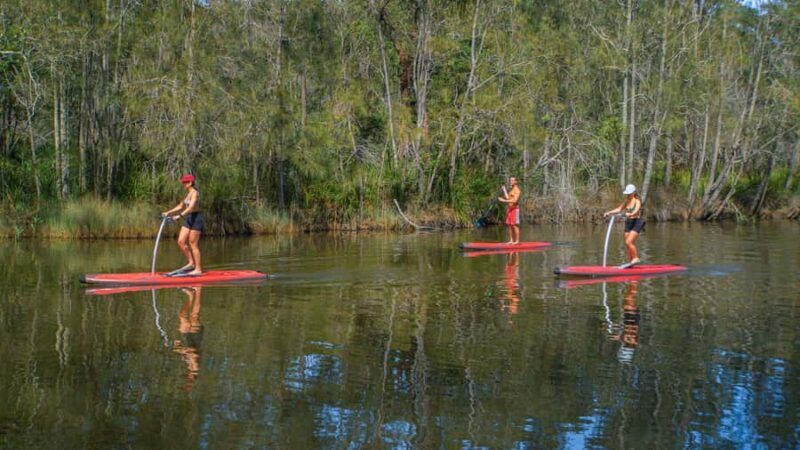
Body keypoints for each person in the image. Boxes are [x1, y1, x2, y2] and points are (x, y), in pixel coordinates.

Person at [162, 173, 203, 276]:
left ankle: (198, 269)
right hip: (189, 218)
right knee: (181, 241)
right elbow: (181, 205)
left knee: (193, 243)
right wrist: (168, 212)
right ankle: (191, 263)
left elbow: (190, 207)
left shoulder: (195, 193)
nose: (183, 184)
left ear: (190, 182)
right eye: (183, 182)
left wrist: (179, 216)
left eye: (185, 182)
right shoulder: (187, 194)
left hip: (196, 218)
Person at [603, 184, 644, 268]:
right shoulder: (626, 201)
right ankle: (631, 263)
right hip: (628, 223)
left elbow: (636, 211)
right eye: (627, 193)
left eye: (629, 193)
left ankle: (636, 258)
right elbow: (618, 209)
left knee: (628, 242)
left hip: (636, 222)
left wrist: (630, 214)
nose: (628, 195)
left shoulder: (637, 201)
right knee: (627, 244)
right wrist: (609, 212)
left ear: (634, 192)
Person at [172, 287, 203, 392]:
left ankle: (191, 295)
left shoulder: (188, 366)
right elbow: (194, 353)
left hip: (190, 338)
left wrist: (177, 347)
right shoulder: (195, 368)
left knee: (182, 316)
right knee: (194, 315)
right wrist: (181, 349)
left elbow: (186, 352)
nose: (186, 377)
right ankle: (195, 292)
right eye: (188, 380)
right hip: (195, 335)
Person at [498, 176, 522, 245]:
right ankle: (511, 240)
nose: (510, 182)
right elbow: (508, 197)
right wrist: (504, 190)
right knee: (509, 224)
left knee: (514, 225)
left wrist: (503, 201)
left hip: (515, 209)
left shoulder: (517, 190)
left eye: (512, 180)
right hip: (510, 209)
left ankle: (517, 241)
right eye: (510, 180)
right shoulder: (511, 190)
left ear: (516, 182)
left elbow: (515, 200)